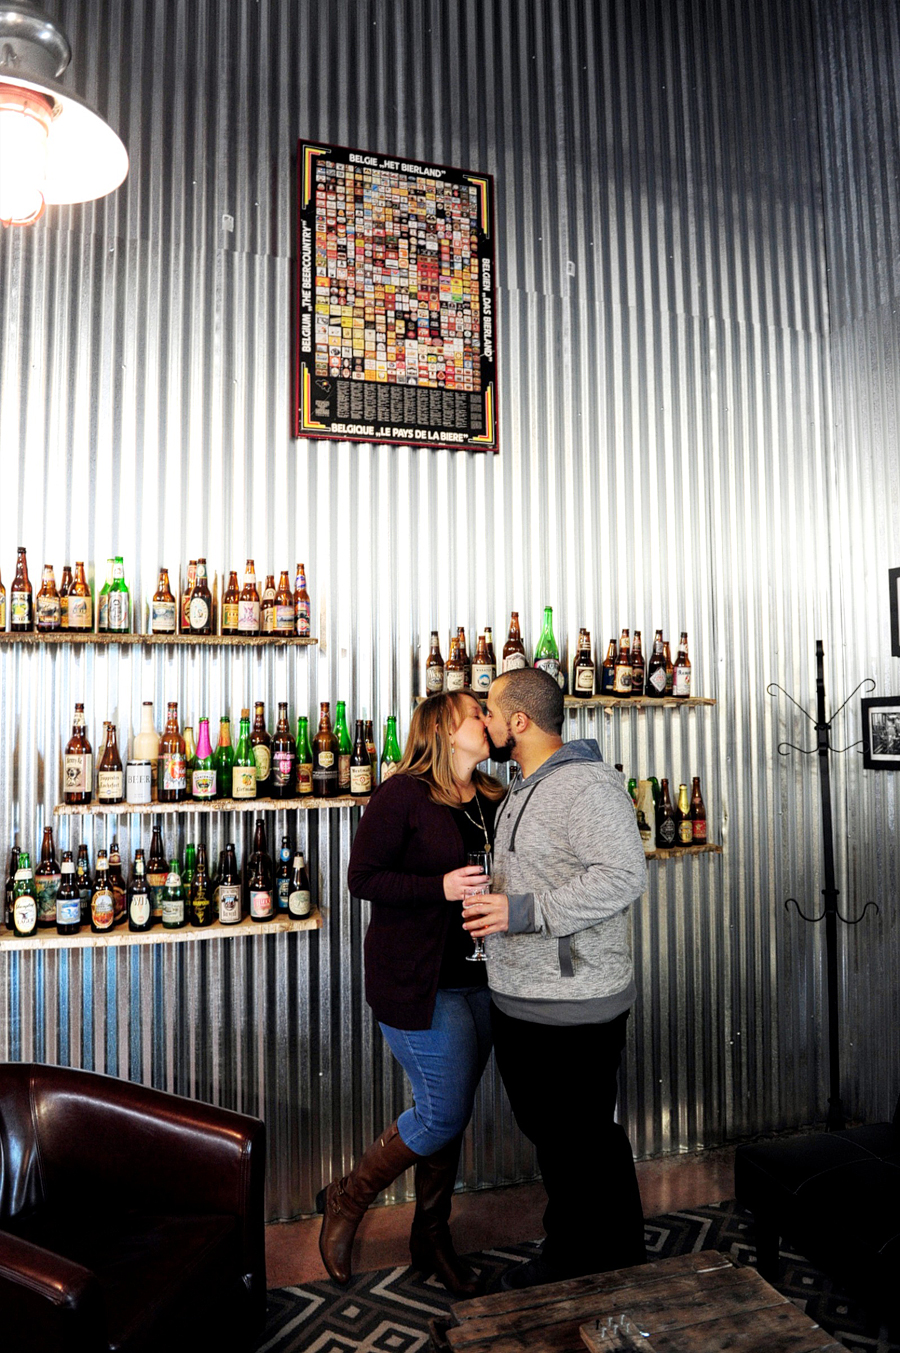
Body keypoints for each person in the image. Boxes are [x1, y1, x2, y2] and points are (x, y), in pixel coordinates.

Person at [463, 667, 648, 1289]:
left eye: (489, 710)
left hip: (573, 1003)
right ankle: (607, 1251)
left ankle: (579, 1265)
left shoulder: (586, 786)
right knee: (567, 1140)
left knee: (579, 1142)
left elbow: (623, 877)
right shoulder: (522, 787)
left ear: (518, 721)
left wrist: (524, 911)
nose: (484, 721)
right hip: (525, 998)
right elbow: (546, 873)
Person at [318, 692, 504, 1294]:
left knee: (450, 1116)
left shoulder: (495, 797)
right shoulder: (402, 794)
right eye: (477, 713)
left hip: (484, 978)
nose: (486, 720)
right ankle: (348, 1198)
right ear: (447, 729)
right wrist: (440, 886)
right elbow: (362, 879)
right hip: (422, 984)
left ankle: (431, 1236)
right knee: (443, 1111)